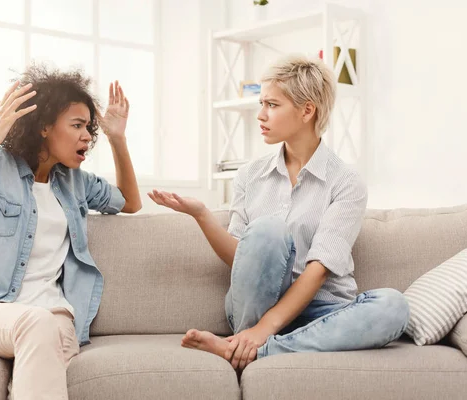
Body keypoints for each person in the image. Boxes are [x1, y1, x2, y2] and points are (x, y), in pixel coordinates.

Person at [148, 55, 409, 371]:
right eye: (261, 104)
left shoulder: (346, 182)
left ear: (306, 110)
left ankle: (252, 350)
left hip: (323, 312)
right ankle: (253, 341)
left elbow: (319, 270)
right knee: (268, 230)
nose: (260, 115)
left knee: (393, 307)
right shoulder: (249, 175)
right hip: (255, 306)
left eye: (272, 105)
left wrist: (264, 330)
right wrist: (201, 214)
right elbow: (242, 259)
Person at [0, 64, 141, 399]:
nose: (87, 136)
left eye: (90, 128)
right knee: (37, 325)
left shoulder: (74, 182)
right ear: (44, 127)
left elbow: (129, 203)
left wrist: (118, 139)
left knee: (44, 331)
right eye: (77, 125)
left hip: (56, 317)